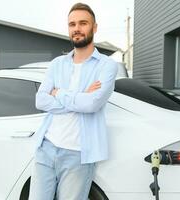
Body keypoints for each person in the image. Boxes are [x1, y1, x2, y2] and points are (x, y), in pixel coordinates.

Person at [29, 3, 118, 200]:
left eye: (83, 23)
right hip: (46, 146)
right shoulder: (57, 64)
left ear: (94, 27)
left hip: (78, 154)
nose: (76, 28)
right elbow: (41, 100)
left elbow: (92, 104)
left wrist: (59, 92)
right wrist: (80, 95)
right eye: (72, 24)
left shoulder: (107, 66)